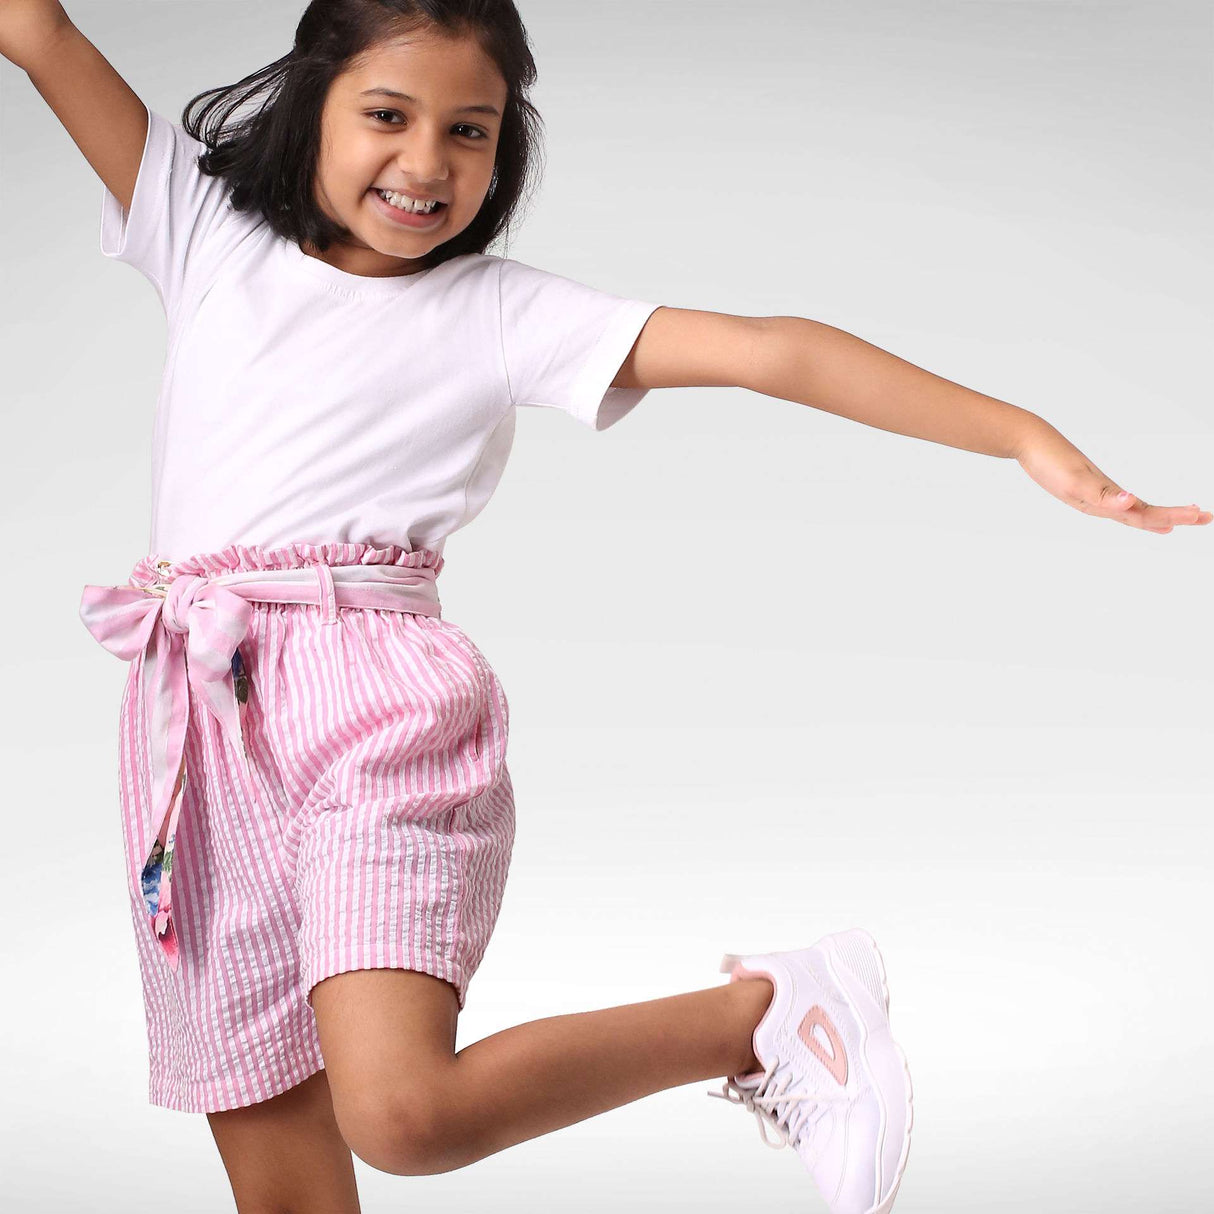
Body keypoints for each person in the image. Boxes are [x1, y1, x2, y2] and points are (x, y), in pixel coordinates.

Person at [3, 2, 1208, 1212]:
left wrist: (1020, 437)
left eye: (467, 131)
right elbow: (40, 33)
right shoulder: (203, 229)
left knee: (404, 1112)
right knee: (274, 1158)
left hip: (372, 707)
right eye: (387, 114)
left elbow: (768, 349)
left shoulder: (496, 310)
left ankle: (767, 1013)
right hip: (194, 729)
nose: (425, 163)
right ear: (310, 100)